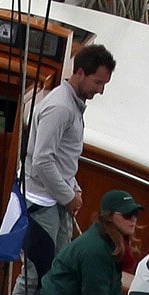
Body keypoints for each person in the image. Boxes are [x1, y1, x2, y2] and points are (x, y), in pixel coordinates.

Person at [13, 38, 114, 278]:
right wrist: (68, 196)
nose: (100, 90)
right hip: (40, 201)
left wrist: (74, 189)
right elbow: (42, 159)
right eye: (98, 82)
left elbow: (63, 159)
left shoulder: (73, 106)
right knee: (36, 274)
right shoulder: (60, 108)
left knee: (56, 271)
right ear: (79, 72)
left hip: (54, 199)